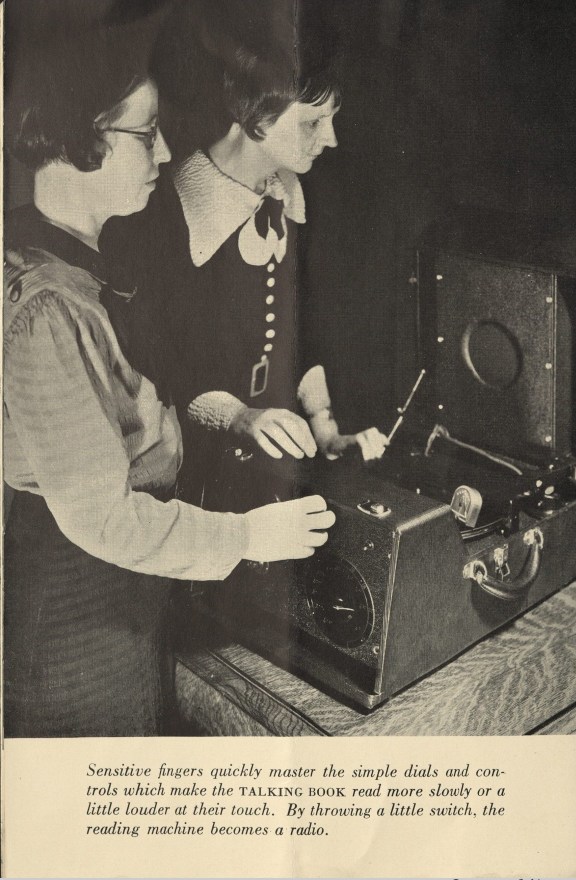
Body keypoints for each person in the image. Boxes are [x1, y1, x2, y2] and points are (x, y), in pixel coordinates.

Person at [3, 23, 335, 738]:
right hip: (76, 616)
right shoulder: (44, 309)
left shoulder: (78, 270)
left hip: (119, 594)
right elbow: (101, 520)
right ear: (79, 136)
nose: (162, 149)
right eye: (144, 133)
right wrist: (247, 536)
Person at [106, 0, 388, 513]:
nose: (332, 139)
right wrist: (239, 417)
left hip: (272, 473)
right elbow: (159, 365)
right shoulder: (167, 212)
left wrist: (327, 432)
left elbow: (306, 333)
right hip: (183, 490)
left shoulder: (294, 198)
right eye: (314, 123)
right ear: (257, 116)